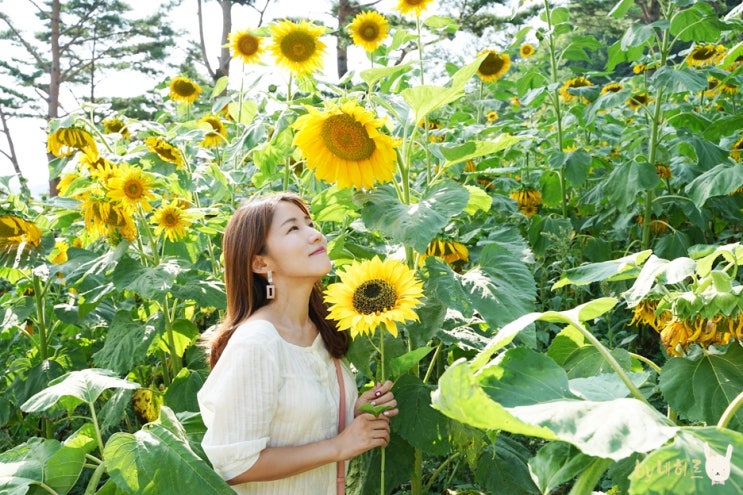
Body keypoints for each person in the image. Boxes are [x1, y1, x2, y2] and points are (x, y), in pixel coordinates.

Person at [197, 192, 398, 494]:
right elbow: (233, 465)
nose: (316, 235)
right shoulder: (258, 343)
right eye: (293, 229)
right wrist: (339, 446)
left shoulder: (321, 331)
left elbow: (296, 428)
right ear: (260, 262)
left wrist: (352, 416)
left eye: (309, 223)